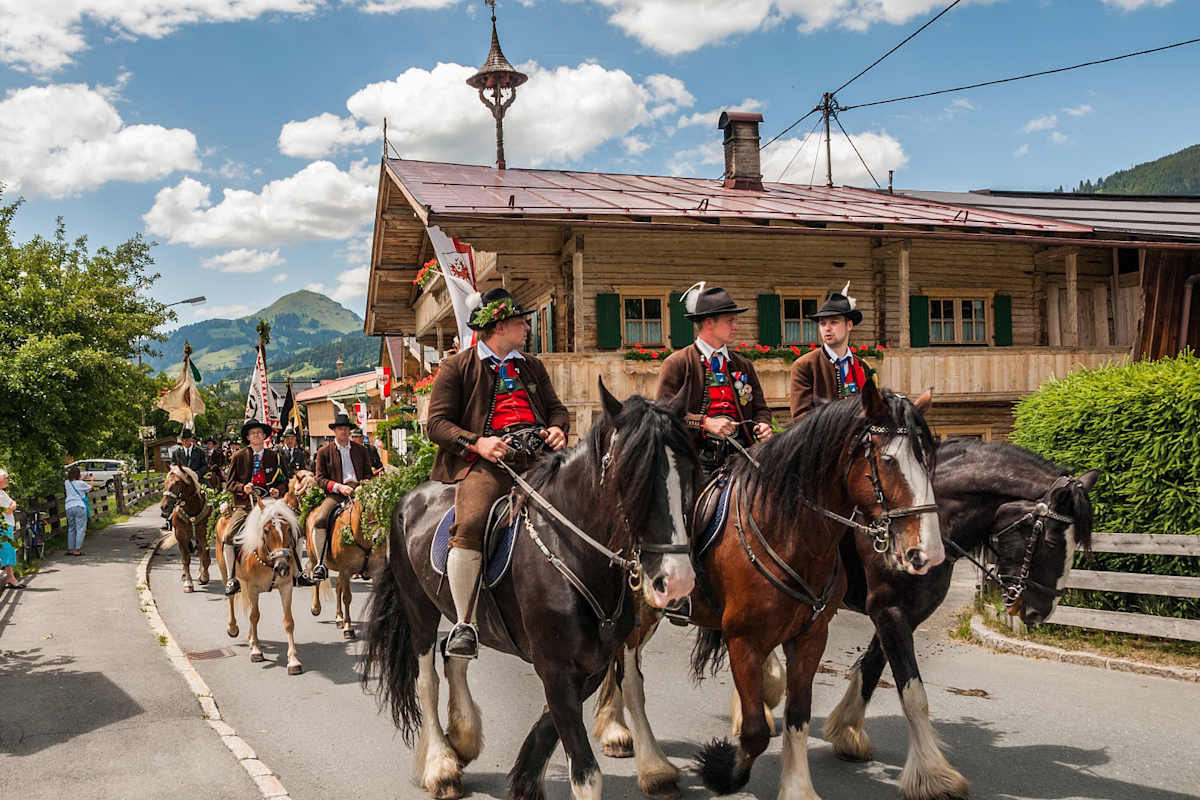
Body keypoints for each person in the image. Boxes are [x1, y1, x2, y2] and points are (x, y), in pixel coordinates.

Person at [426, 287, 569, 659]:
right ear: (500, 326)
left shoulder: (532, 365)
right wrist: (478, 443)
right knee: (470, 523)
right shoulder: (457, 367)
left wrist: (558, 428)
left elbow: (556, 409)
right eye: (522, 323)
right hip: (488, 464)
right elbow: (436, 425)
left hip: (539, 459)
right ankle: (465, 623)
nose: (528, 328)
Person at [655, 283, 773, 480]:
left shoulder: (743, 364)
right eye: (730, 320)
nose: (736, 326)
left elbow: (760, 409)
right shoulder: (677, 363)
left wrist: (763, 425)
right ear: (709, 323)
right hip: (694, 459)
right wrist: (705, 423)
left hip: (743, 457)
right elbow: (662, 414)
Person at [221, 419, 297, 596]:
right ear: (248, 437)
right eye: (253, 433)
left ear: (264, 436)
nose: (256, 435)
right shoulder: (238, 456)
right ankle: (232, 577)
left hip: (271, 504)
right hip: (246, 505)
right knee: (229, 535)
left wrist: (278, 490)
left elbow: (285, 480)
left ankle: (298, 572)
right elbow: (230, 483)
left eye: (259, 433)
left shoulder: (275, 456)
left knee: (295, 530)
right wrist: (243, 488)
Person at [789, 282, 875, 421]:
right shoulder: (805, 365)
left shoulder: (862, 366)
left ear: (849, 325)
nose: (827, 328)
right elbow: (802, 417)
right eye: (822, 323)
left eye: (834, 322)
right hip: (822, 435)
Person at [309, 413, 374, 581]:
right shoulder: (324, 452)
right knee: (320, 520)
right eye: (340, 429)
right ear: (335, 431)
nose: (344, 432)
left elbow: (368, 474)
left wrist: (363, 484)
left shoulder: (361, 450)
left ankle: (374, 560)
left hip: (360, 491)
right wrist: (339, 487)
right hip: (336, 494)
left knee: (377, 516)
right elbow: (320, 479)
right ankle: (321, 564)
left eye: (346, 429)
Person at [0, 469, 24, 590]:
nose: (7, 480)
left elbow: (13, 503)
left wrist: (12, 505)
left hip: (7, 525)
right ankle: (11, 578)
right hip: (3, 526)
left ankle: (11, 578)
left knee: (8, 551)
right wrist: (12, 506)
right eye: (5, 478)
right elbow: (8, 509)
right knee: (7, 551)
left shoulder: (2, 492)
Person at [64, 465, 93, 556]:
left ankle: (70, 549)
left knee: (71, 528)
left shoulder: (66, 483)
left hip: (69, 507)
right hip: (79, 507)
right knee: (80, 529)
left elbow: (75, 483)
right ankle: (77, 550)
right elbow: (90, 488)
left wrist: (83, 478)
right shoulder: (81, 483)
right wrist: (92, 480)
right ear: (78, 475)